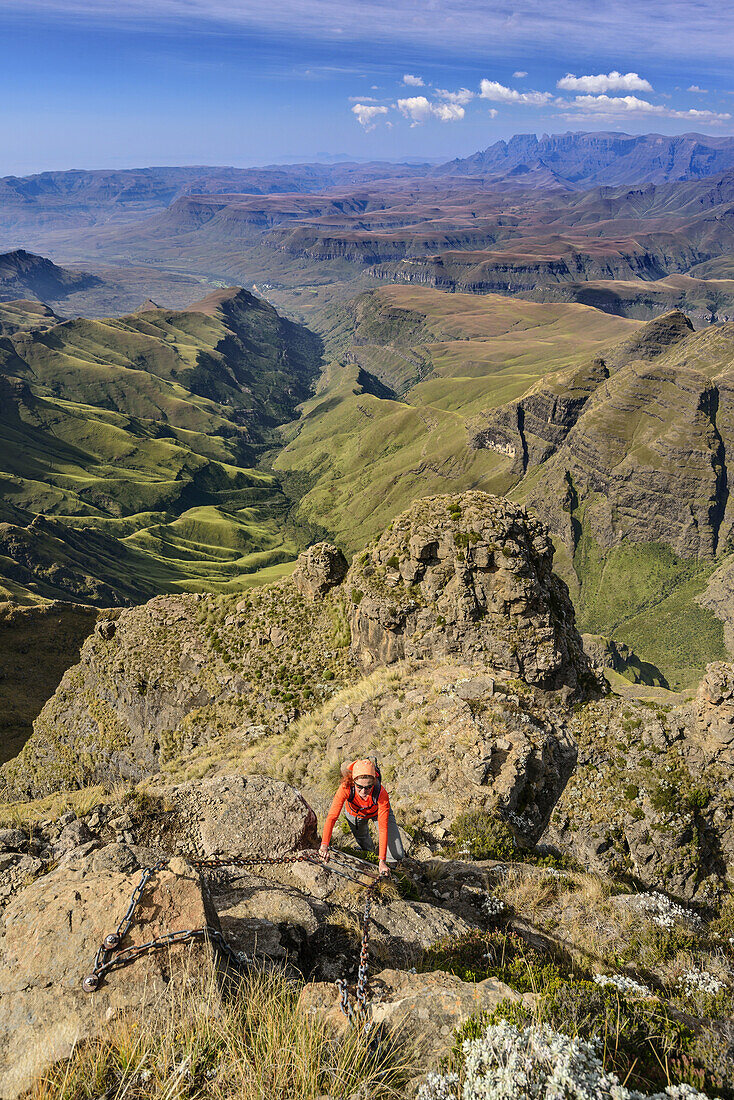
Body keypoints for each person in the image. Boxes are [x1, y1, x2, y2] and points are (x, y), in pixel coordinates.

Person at [319, 759, 404, 876]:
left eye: (368, 787)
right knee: (365, 843)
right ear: (353, 781)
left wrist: (382, 861)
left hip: (377, 812)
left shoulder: (381, 793)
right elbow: (332, 817)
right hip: (355, 814)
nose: (364, 791)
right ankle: (371, 854)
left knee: (397, 854)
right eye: (359, 787)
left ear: (373, 782)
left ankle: (390, 866)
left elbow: (383, 828)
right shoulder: (346, 788)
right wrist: (324, 845)